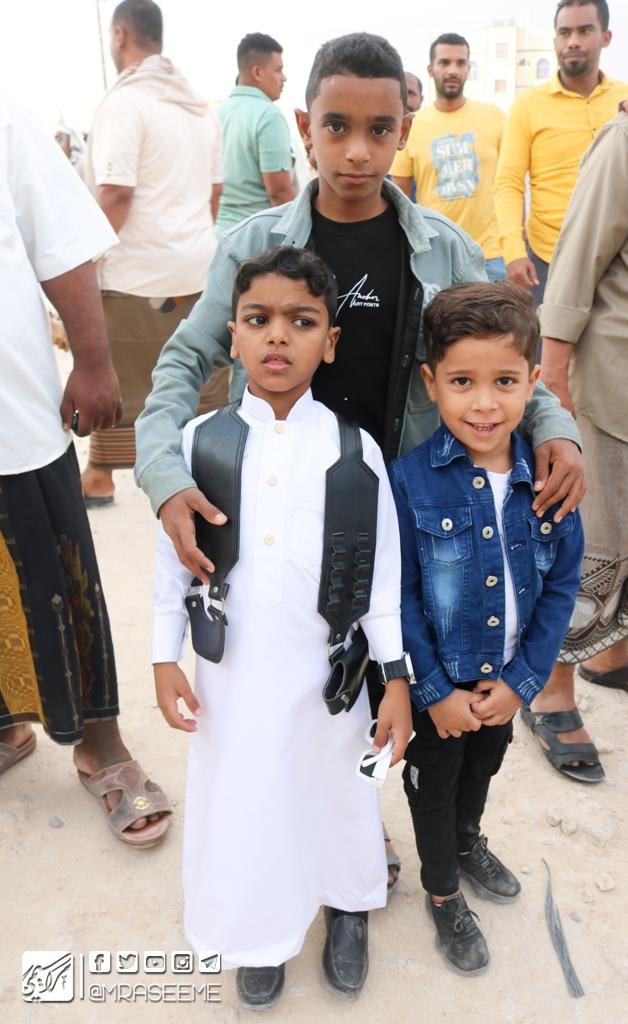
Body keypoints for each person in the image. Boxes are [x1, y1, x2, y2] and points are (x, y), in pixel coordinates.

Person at [135, 30, 585, 891]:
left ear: (402, 130)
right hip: (276, 509)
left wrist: (554, 425)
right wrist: (165, 476)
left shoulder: (443, 248)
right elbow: (184, 360)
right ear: (304, 125)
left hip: (402, 508)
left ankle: (424, 836)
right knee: (304, 683)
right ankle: (340, 842)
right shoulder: (254, 246)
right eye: (335, 126)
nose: (355, 150)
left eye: (378, 130)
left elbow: (499, 349)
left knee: (402, 678)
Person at [152, 246, 413, 1007]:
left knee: (338, 789)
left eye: (301, 321)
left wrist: (394, 679)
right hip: (231, 673)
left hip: (329, 672)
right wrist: (163, 657)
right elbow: (173, 563)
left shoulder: (353, 450)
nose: (277, 336)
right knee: (245, 797)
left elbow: (381, 581)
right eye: (258, 319)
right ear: (232, 335)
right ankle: (258, 933)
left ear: (330, 342)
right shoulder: (200, 442)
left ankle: (347, 905)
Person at [389, 282, 583, 973]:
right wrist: (434, 692)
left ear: (533, 380)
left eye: (504, 381)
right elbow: (399, 596)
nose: (483, 404)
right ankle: (442, 891)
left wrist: (522, 682)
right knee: (433, 785)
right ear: (431, 383)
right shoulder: (408, 482)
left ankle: (468, 841)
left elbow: (560, 586)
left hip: (504, 684)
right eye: (462, 382)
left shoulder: (549, 483)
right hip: (437, 691)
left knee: (483, 768)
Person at [0, 89, 171, 848]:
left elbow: (64, 245)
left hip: (11, 416)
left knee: (58, 579)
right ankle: (6, 727)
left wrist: (95, 362)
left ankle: (101, 744)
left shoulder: (4, 120)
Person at [523, 23, 628, 783]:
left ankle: (611, 658)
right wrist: (552, 380)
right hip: (617, 375)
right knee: (593, 541)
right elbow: (578, 253)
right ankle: (550, 690)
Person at [81, 0, 228, 506]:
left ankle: (102, 477)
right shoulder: (198, 108)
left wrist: (84, 262)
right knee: (198, 381)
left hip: (137, 274)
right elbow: (213, 194)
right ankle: (206, 470)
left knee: (123, 386)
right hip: (197, 268)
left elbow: (116, 193)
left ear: (120, 36)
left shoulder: (126, 104)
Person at [495, 0, 628, 303]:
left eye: (585, 31)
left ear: (606, 37)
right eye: (564, 32)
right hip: (548, 260)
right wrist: (514, 251)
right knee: (547, 337)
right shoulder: (528, 106)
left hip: (622, 259)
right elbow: (509, 183)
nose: (573, 42)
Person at [391, 33, 507, 282]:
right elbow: (400, 199)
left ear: (468, 68)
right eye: (444, 63)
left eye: (460, 63)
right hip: (437, 256)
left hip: (491, 256)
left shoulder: (494, 117)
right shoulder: (412, 126)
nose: (452, 70)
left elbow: (510, 182)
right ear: (430, 69)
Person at [215, 32, 295, 234]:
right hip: (256, 238)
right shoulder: (269, 116)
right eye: (278, 70)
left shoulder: (216, 116)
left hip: (218, 234)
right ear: (257, 72)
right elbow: (279, 193)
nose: (284, 78)